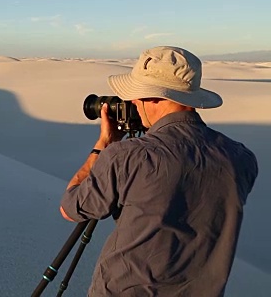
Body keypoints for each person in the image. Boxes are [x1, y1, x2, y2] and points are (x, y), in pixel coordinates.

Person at [59, 46, 258, 296]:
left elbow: (70, 207)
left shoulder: (127, 156)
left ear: (153, 97)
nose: (131, 102)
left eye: (134, 94)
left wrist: (103, 146)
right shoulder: (241, 159)